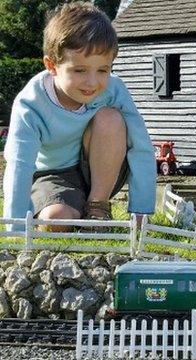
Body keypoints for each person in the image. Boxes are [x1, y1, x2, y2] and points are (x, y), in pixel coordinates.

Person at [2, 2, 156, 231]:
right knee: (56, 219)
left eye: (103, 70)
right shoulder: (31, 104)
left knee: (110, 119)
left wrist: (142, 210)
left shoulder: (114, 91)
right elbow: (20, 163)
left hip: (102, 169)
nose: (92, 83)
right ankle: (69, 210)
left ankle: (97, 208)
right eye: (79, 70)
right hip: (52, 175)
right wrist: (16, 228)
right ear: (52, 66)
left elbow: (141, 146)